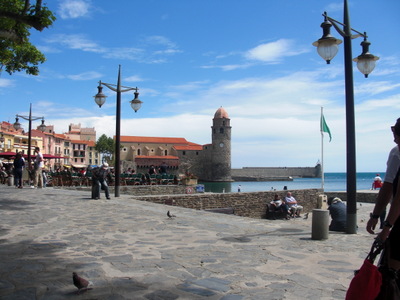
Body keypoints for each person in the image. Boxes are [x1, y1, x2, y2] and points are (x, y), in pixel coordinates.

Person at [366, 118, 400, 272]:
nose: (394, 139)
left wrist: (385, 226)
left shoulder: (396, 153)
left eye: (395, 135)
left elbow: (391, 190)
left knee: (391, 271)